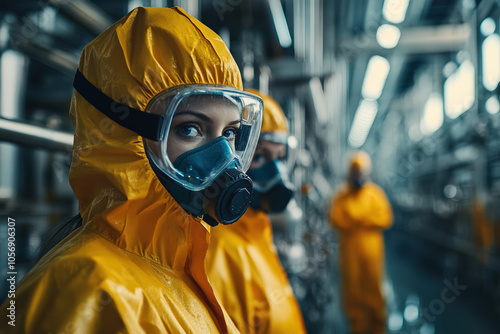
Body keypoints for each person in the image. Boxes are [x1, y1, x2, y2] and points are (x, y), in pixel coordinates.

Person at [0, 7, 264, 333]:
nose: (224, 157)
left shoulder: (180, 270)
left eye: (229, 133)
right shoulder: (86, 293)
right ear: (120, 136)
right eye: (190, 129)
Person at [206, 89, 306, 334]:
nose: (276, 172)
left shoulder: (257, 230)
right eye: (260, 156)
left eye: (280, 158)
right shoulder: (218, 251)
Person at [328, 151, 393, 334]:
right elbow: (335, 219)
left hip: (372, 255)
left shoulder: (375, 194)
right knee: (352, 293)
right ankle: (356, 328)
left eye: (361, 172)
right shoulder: (341, 196)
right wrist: (365, 218)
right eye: (355, 172)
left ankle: (378, 328)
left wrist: (355, 219)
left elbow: (386, 218)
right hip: (350, 256)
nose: (358, 176)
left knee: (374, 292)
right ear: (350, 173)